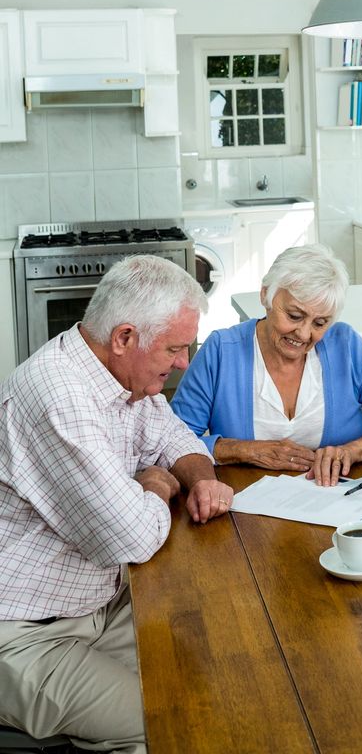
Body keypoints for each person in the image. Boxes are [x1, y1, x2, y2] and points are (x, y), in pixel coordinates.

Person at [0, 254, 234, 754]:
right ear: (125, 337)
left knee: (219, 660)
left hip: (98, 605)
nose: (184, 363)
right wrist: (157, 485)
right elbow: (129, 536)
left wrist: (201, 479)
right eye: (175, 348)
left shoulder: (126, 379)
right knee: (175, 719)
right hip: (26, 635)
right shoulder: (58, 395)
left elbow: (173, 435)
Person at [171, 243, 362, 486]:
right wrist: (244, 450)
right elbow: (170, 441)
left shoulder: (345, 345)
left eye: (320, 323)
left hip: (338, 501)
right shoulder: (221, 350)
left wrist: (351, 451)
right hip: (243, 506)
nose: (303, 334)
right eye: (294, 316)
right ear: (265, 295)